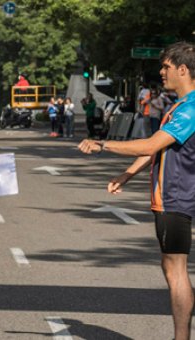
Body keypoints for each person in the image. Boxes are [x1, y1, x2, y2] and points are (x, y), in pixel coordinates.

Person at [78, 41, 195, 340]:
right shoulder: (180, 105)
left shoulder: (190, 107)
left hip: (175, 196)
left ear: (183, 69)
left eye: (166, 66)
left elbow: (151, 144)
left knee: (176, 268)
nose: (161, 71)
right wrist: (127, 174)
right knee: (171, 266)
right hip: (177, 195)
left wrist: (103, 144)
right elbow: (160, 145)